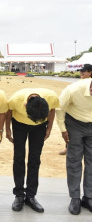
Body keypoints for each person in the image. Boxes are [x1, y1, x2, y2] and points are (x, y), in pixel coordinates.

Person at [6, 88, 59, 213]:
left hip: (40, 126)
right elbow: (9, 112)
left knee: (34, 159)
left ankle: (30, 196)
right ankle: (19, 195)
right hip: (19, 125)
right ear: (25, 106)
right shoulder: (16, 100)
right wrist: (8, 130)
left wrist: (49, 128)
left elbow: (52, 111)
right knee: (19, 158)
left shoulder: (51, 97)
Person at [56, 78, 92, 215]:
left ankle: (88, 197)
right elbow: (60, 108)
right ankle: (75, 198)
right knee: (74, 161)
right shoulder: (74, 90)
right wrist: (63, 129)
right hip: (75, 123)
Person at [59, 64, 92, 155]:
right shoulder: (77, 85)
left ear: (90, 72)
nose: (81, 72)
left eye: (84, 71)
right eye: (80, 71)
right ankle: (67, 147)